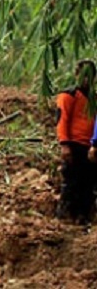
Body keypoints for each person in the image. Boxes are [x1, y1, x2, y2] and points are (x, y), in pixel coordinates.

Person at [57, 59, 97, 223]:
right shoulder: (68, 95)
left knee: (88, 183)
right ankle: (65, 216)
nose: (86, 80)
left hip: (89, 147)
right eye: (83, 76)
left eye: (90, 76)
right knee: (71, 181)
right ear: (76, 75)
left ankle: (83, 216)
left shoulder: (94, 99)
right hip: (74, 144)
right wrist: (64, 144)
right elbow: (62, 120)